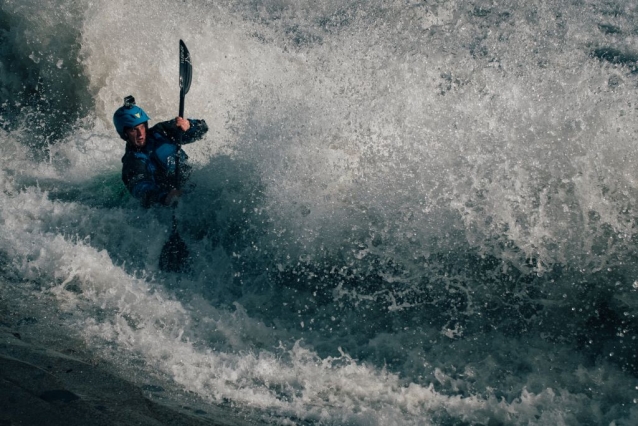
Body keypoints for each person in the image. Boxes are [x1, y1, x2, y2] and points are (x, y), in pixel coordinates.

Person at [113, 96, 208, 207]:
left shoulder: (162, 132)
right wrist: (164, 197)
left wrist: (189, 125)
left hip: (191, 184)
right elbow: (140, 187)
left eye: (142, 127)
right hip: (169, 201)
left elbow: (203, 129)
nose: (140, 134)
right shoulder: (132, 161)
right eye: (134, 130)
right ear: (124, 134)